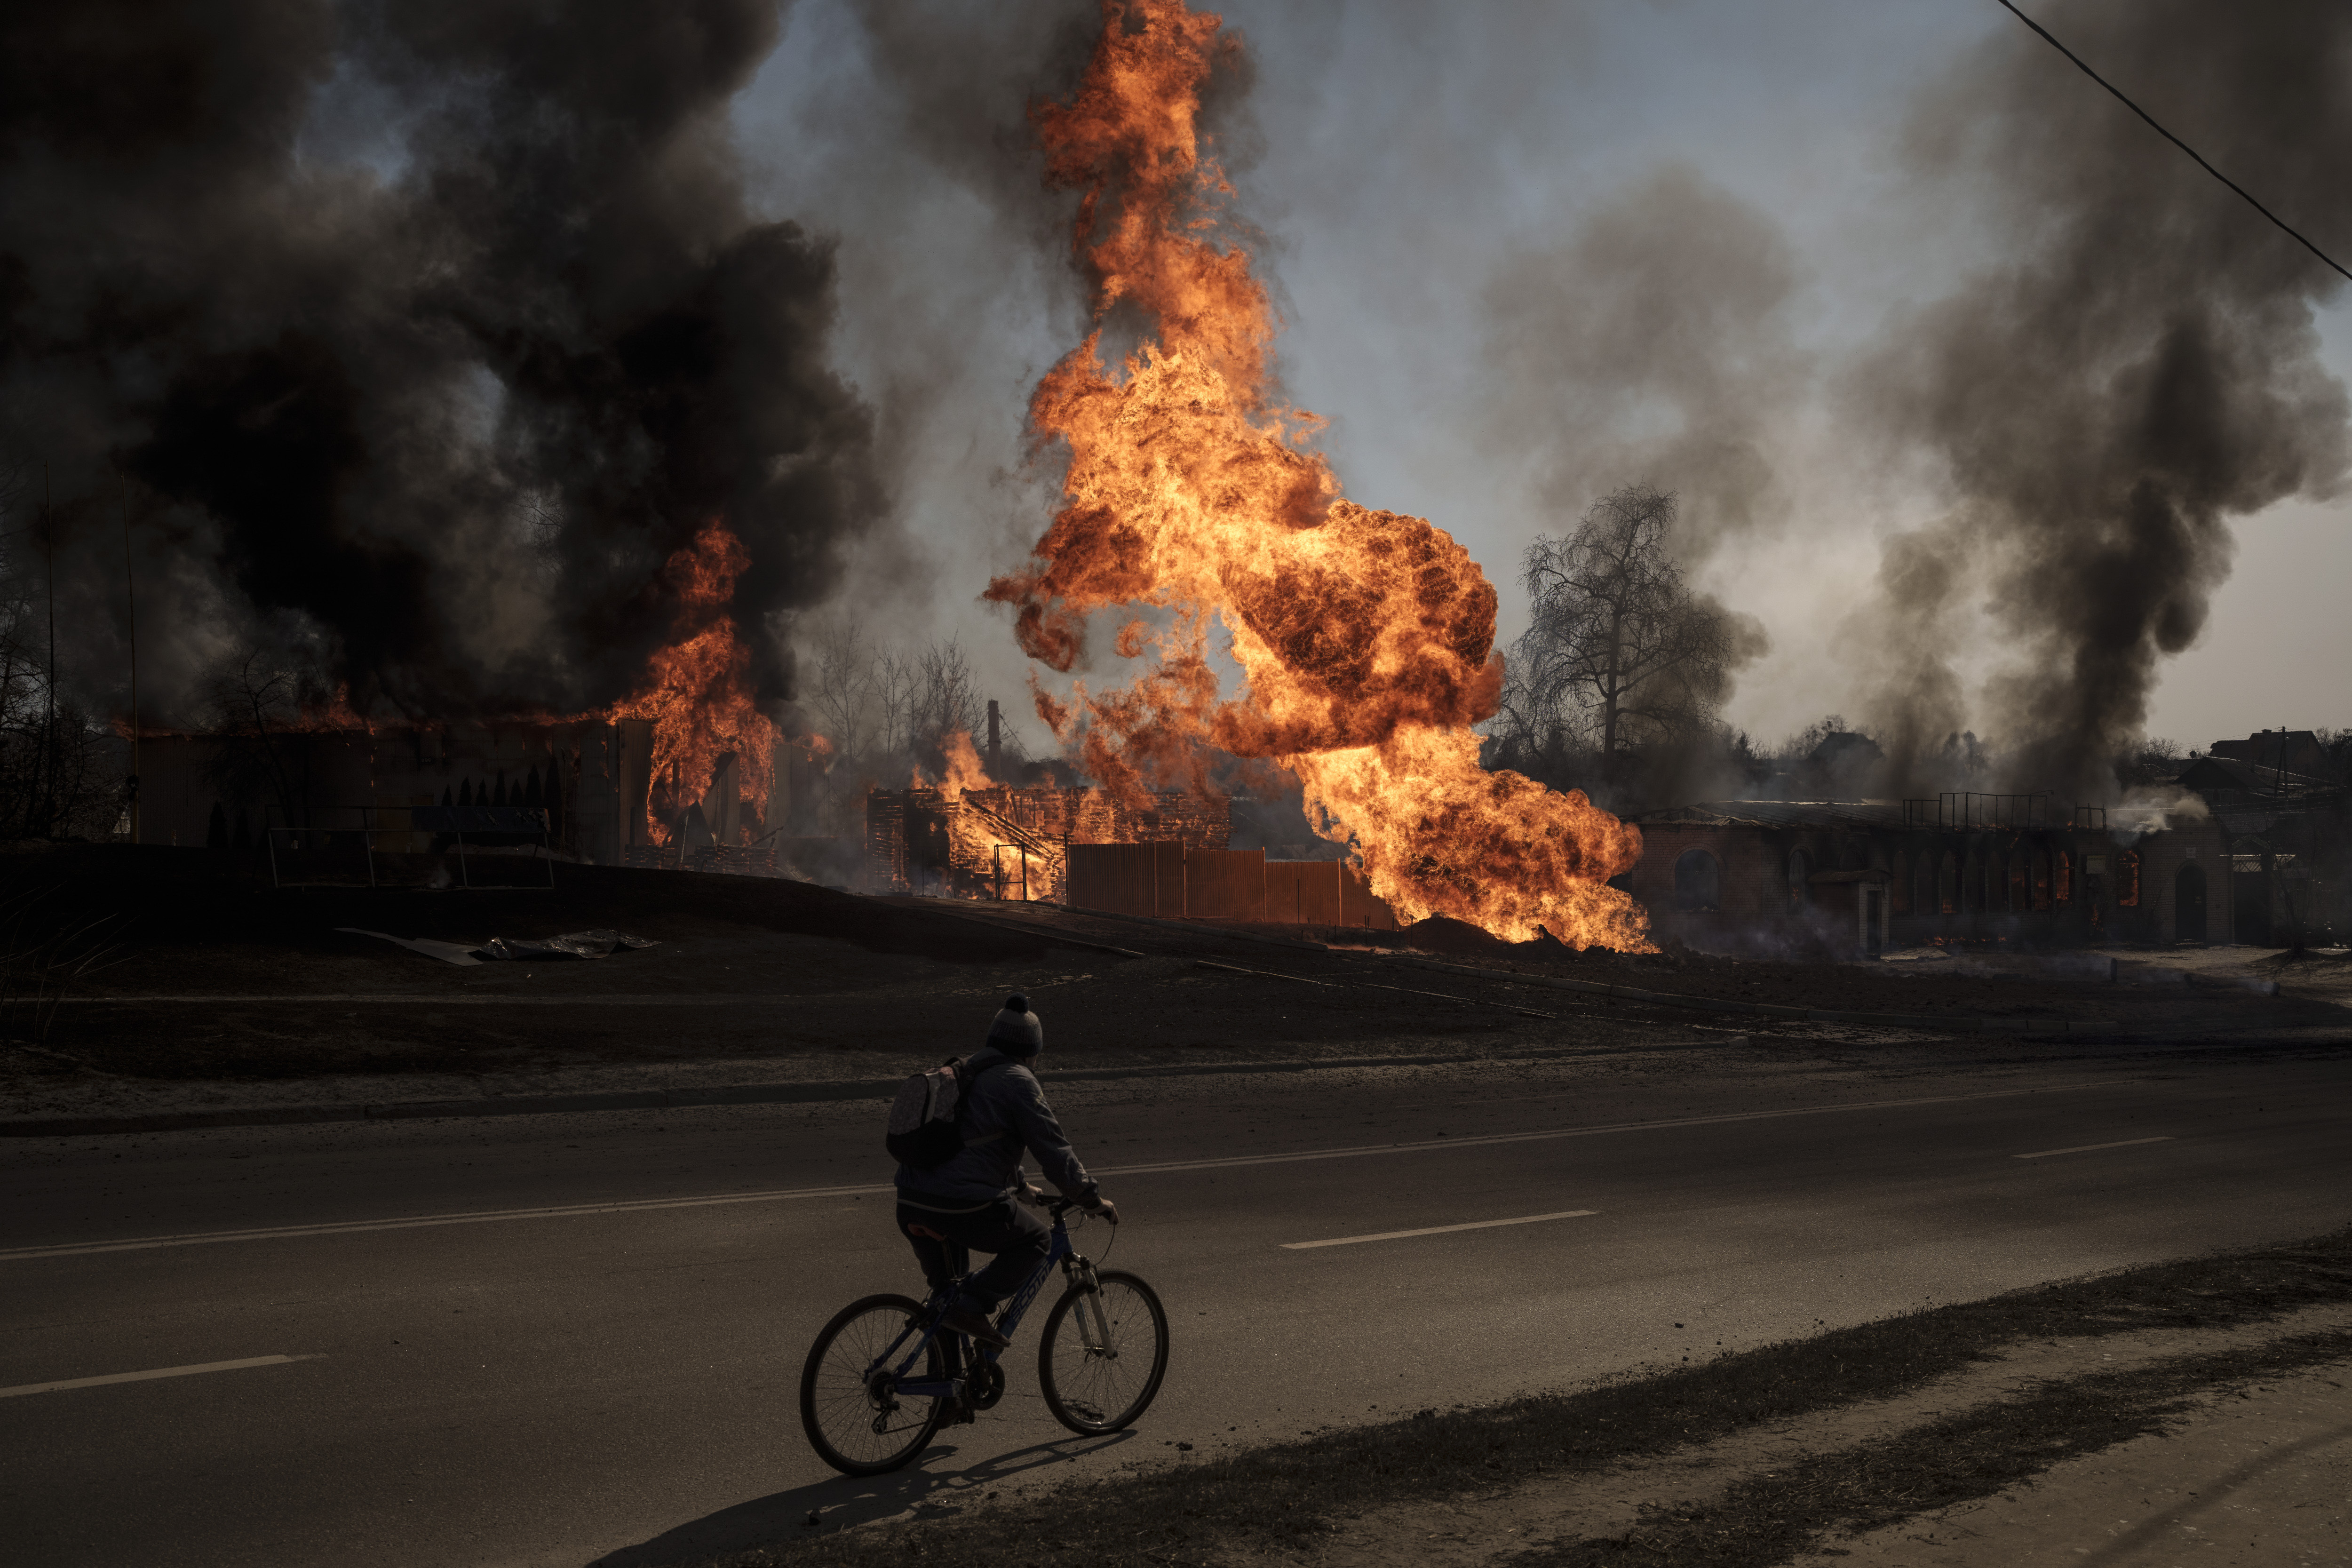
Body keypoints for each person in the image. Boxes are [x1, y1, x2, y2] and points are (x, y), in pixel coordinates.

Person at [895, 993, 1117, 1350]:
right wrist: (1090, 1198)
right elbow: (1053, 1148)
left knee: (945, 1302)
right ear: (1030, 1050)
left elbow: (977, 1141)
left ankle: (948, 1398)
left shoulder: (965, 1070)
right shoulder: (1019, 1080)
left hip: (911, 1199)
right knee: (1038, 1241)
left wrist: (1021, 1186)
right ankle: (971, 1305)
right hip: (959, 1205)